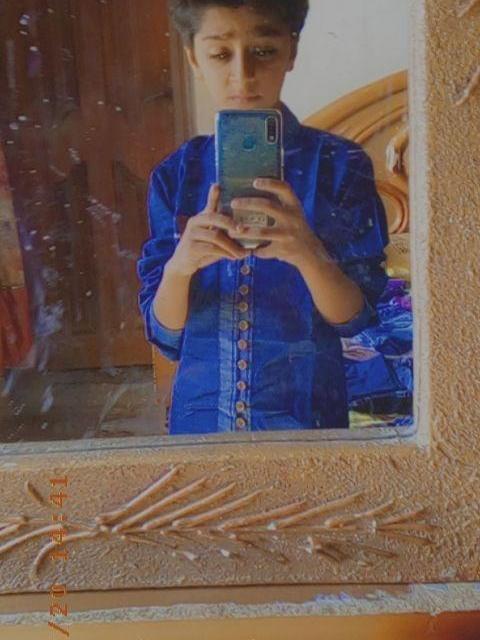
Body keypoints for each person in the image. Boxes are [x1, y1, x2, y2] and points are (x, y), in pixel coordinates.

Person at [137, 0, 390, 435]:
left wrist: (309, 255)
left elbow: (356, 320)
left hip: (308, 424)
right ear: (194, 58)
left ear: (292, 51)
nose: (243, 74)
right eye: (220, 54)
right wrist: (180, 267)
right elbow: (165, 334)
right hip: (200, 425)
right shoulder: (176, 176)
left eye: (264, 51)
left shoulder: (340, 167)